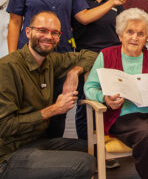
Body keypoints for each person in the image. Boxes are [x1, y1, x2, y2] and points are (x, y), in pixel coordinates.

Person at [6, 0, 126, 138]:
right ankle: (32, 155)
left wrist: (112, 2)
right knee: (31, 107)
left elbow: (84, 17)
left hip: (61, 56)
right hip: (30, 57)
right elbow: (15, 22)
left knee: (60, 109)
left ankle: (55, 151)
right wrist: (12, 58)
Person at [84, 8, 148, 178]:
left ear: (146, 38)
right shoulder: (106, 55)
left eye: (140, 34)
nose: (134, 37)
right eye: (130, 32)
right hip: (122, 115)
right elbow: (89, 88)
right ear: (120, 34)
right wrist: (104, 98)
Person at [0, 11, 97, 178]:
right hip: (9, 153)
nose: (49, 37)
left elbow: (91, 55)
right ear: (28, 32)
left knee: (95, 148)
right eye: (42, 30)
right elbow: (4, 127)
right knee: (83, 163)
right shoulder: (7, 68)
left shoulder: (50, 60)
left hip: (37, 142)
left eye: (54, 33)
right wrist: (54, 109)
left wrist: (73, 73)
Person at [72, 0, 124, 141]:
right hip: (87, 56)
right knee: (86, 104)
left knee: (112, 101)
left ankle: (106, 148)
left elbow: (122, 29)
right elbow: (83, 19)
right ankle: (87, 149)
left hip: (112, 57)